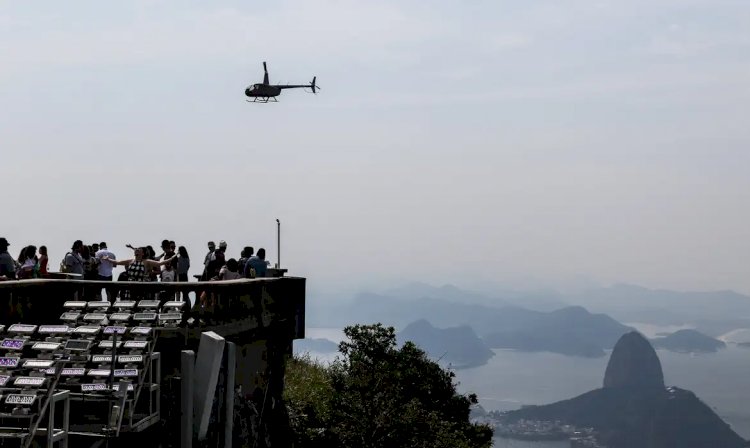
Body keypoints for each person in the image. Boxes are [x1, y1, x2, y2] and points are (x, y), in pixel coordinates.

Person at [107, 247, 176, 299]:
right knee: (130, 302)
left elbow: (160, 263)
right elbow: (117, 262)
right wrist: (108, 259)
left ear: (142, 253)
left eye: (139, 250)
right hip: (130, 286)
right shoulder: (131, 261)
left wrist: (172, 258)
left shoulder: (146, 261)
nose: (136, 250)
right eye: (136, 250)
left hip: (141, 287)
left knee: (139, 303)